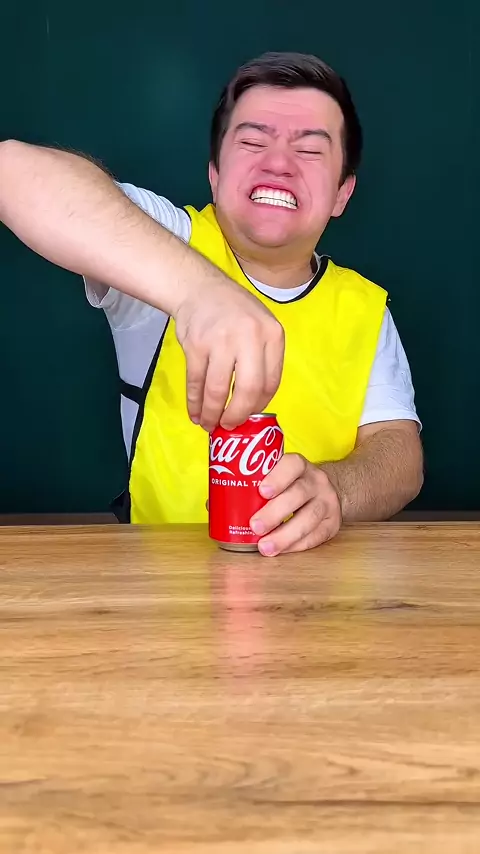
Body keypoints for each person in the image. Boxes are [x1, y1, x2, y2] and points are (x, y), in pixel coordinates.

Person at [0, 51, 423, 555]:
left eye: (310, 150)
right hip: (161, 588)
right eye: (253, 142)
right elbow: (11, 171)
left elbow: (399, 454)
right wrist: (199, 291)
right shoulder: (167, 241)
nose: (278, 163)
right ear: (215, 174)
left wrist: (335, 490)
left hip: (322, 587)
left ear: (341, 193)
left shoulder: (364, 308)